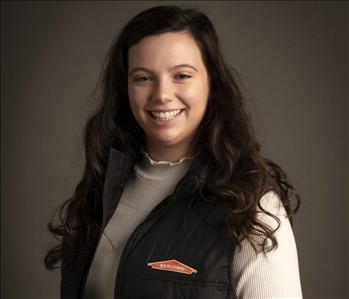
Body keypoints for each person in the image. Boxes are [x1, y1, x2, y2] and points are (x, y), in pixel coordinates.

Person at [44, 5, 303, 299]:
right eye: (143, 78)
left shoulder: (250, 207)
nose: (162, 94)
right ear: (125, 87)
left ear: (212, 84)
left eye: (181, 75)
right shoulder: (100, 192)